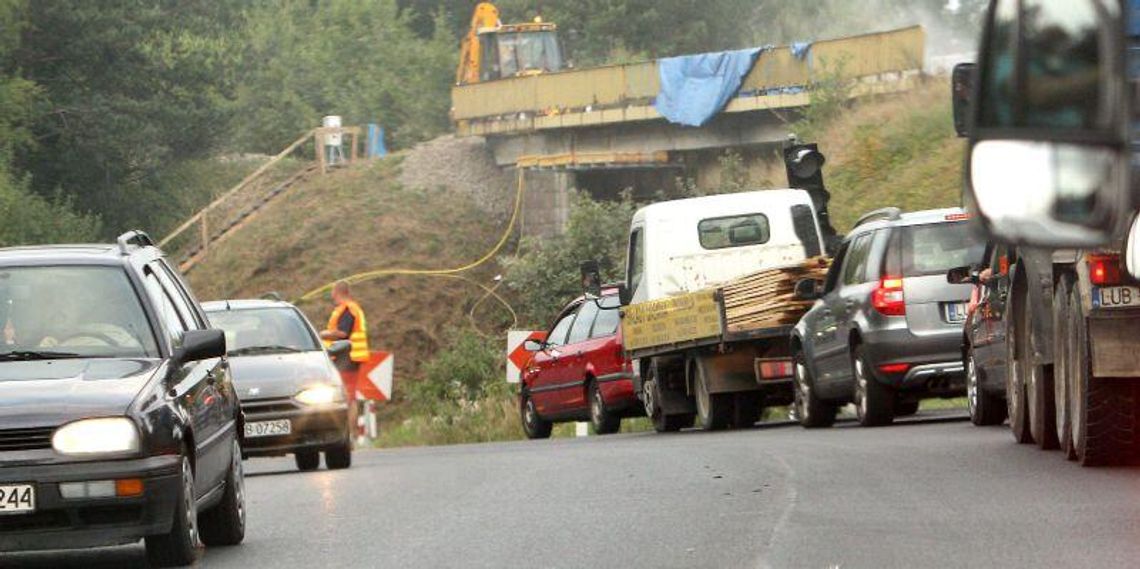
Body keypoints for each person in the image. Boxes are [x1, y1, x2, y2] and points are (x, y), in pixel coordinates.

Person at [320, 281, 370, 401]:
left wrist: (323, 334)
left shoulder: (348, 309)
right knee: (348, 396)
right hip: (349, 357)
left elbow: (342, 333)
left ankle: (348, 420)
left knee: (346, 397)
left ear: (336, 292)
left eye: (332, 291)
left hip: (346, 358)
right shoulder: (352, 308)